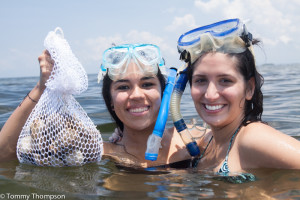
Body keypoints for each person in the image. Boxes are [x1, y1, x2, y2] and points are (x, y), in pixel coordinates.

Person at [0, 43, 205, 169]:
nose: (136, 95)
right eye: (123, 86)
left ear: (163, 93)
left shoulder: (195, 140)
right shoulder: (101, 153)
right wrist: (41, 87)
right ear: (111, 102)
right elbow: (3, 157)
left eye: (147, 84)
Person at [176, 18, 300, 175]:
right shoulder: (207, 141)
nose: (210, 94)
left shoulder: (254, 138)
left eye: (225, 81)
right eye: (201, 80)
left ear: (249, 88)